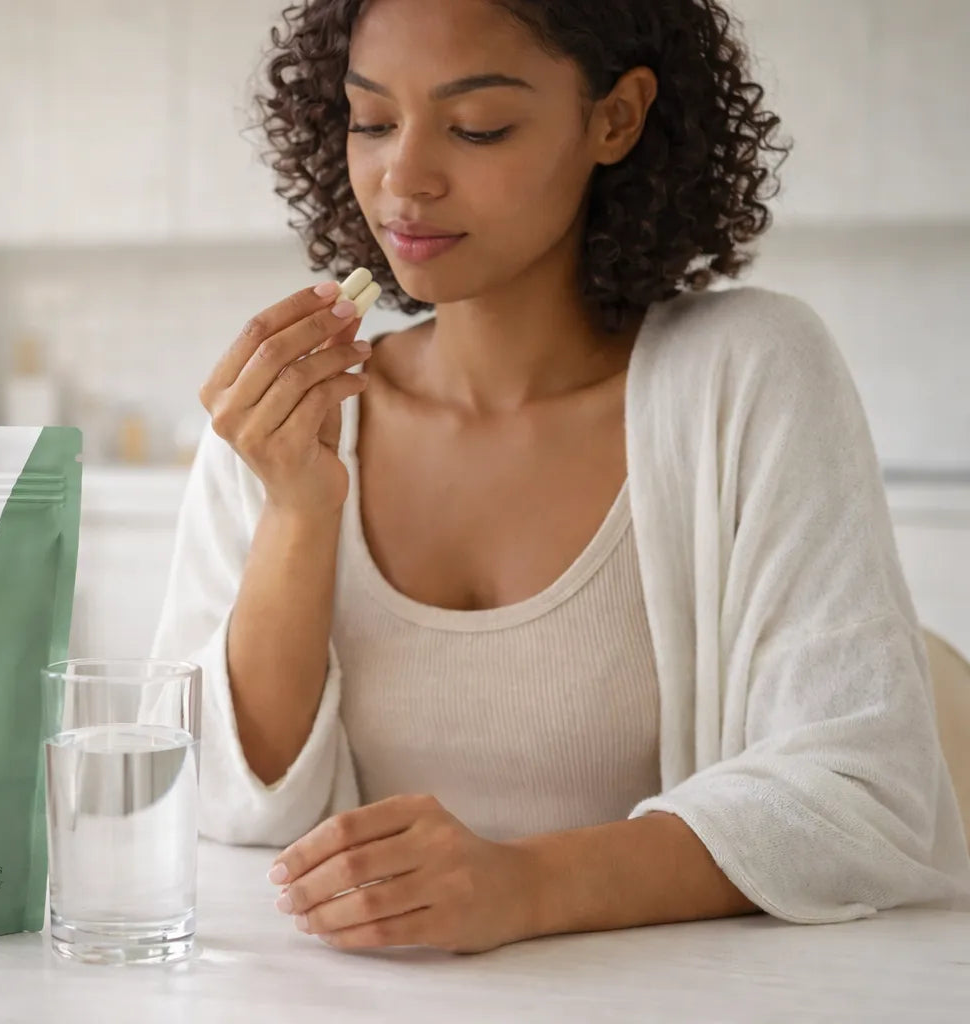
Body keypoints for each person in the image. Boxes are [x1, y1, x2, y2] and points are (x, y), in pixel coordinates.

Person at [151, 0, 970, 954]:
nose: (402, 178)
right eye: (370, 121)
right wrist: (298, 512)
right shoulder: (294, 424)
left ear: (614, 119)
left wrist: (526, 884)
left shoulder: (751, 372)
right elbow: (212, 805)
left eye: (477, 127)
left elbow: (864, 786)